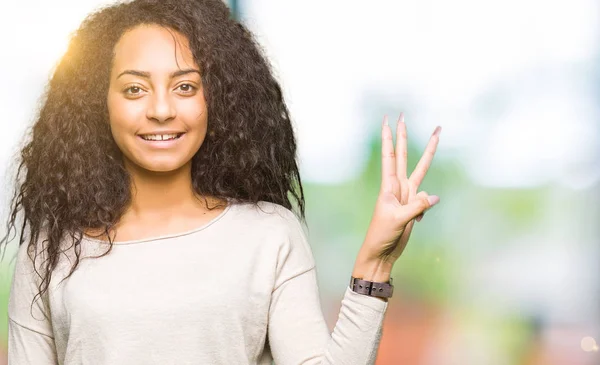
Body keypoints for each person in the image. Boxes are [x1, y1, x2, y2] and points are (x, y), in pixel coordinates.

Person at [2, 0, 441, 364]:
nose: (160, 110)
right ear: (100, 104)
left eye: (186, 87)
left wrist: (374, 266)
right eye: (135, 89)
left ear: (218, 99)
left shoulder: (269, 234)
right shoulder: (49, 252)